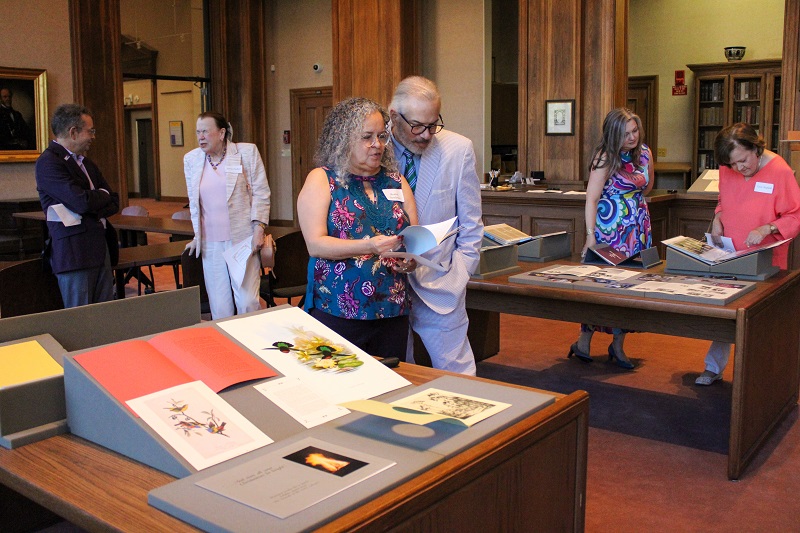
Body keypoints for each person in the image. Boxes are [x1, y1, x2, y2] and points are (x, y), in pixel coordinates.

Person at [297, 96, 418, 360]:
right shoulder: (323, 180)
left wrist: (410, 261)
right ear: (344, 139)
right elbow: (315, 244)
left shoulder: (396, 181)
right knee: (339, 378)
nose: (377, 145)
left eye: (382, 136)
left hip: (392, 309)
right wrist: (369, 245)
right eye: (367, 137)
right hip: (338, 309)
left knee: (389, 379)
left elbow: (414, 240)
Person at [388, 76, 484, 375]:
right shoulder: (373, 148)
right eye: (418, 126)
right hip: (384, 284)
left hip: (440, 280)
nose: (427, 135)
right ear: (394, 116)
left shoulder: (458, 149)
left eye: (434, 125)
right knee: (396, 371)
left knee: (458, 371)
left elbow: (471, 223)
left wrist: (460, 274)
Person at [695, 123, 800, 385]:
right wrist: (718, 216)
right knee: (725, 312)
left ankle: (763, 377)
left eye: (743, 160)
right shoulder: (728, 167)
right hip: (730, 252)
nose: (739, 168)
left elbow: (795, 215)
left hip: (765, 258)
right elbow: (723, 199)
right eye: (732, 164)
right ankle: (713, 367)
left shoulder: (780, 171)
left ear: (756, 147)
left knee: (762, 320)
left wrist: (768, 227)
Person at [573, 108, 654, 369]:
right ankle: (584, 340)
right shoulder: (605, 156)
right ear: (613, 134)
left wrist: (634, 206)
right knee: (603, 286)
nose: (632, 137)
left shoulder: (644, 153)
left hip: (637, 228)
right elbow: (592, 198)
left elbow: (647, 186)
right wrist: (590, 236)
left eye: (635, 131)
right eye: (625, 133)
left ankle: (618, 345)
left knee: (630, 287)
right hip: (611, 229)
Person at [183, 111, 271, 319]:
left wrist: (259, 229)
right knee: (220, 308)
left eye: (206, 131)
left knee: (247, 303)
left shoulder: (246, 153)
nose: (201, 137)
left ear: (222, 133)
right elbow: (195, 204)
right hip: (211, 243)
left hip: (242, 240)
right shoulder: (192, 159)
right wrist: (197, 236)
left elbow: (261, 193)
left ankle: (251, 339)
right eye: (198, 132)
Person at [35, 104, 119, 307]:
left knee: (106, 315)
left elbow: (114, 200)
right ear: (73, 132)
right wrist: (99, 197)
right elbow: (81, 202)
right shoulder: (49, 163)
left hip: (100, 249)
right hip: (75, 255)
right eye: (90, 131)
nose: (93, 136)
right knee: (81, 319)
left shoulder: (87, 163)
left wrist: (93, 201)